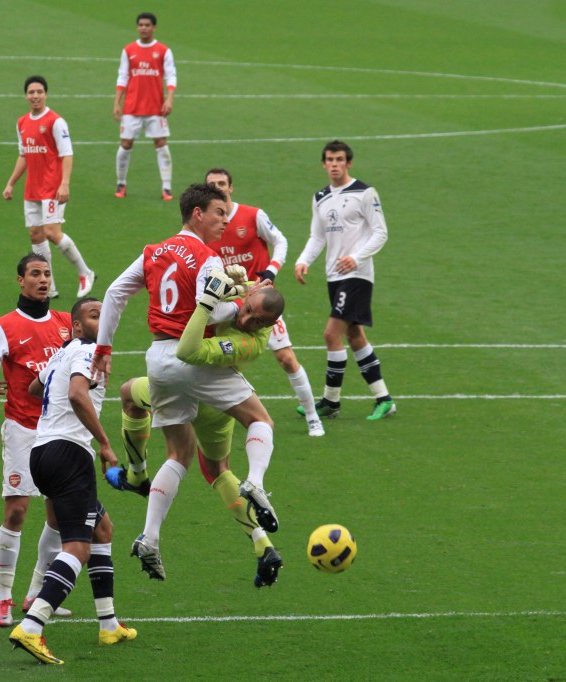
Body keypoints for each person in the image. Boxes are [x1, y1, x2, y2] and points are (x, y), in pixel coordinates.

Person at [94, 183, 283, 581]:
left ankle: (149, 536)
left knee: (178, 454)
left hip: (158, 360)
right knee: (259, 420)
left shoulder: (153, 251)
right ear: (198, 213)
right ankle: (255, 483)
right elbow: (208, 313)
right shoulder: (208, 258)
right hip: (194, 360)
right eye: (219, 213)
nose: (225, 221)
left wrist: (104, 348)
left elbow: (113, 293)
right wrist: (239, 297)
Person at [108, 278, 286, 589]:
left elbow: (188, 349)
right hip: (221, 406)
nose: (245, 320)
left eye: (256, 321)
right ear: (254, 294)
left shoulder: (246, 342)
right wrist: (240, 281)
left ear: (268, 326)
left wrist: (220, 296)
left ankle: (137, 479)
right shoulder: (254, 298)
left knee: (133, 400)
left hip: (193, 381)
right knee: (217, 469)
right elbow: (237, 286)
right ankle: (262, 542)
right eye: (248, 310)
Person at [9, 297, 137, 665]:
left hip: (43, 452)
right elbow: (78, 394)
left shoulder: (63, 353)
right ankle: (32, 625)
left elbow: (35, 388)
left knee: (102, 530)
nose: (103, 319)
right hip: (69, 454)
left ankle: (108, 624)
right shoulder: (87, 350)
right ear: (77, 326)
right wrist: (105, 443)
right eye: (95, 315)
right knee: (78, 547)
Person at [0, 253, 75, 627]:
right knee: (16, 511)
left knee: (59, 514)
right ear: (21, 280)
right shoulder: (4, 326)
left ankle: (37, 592)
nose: (43, 279)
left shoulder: (66, 324)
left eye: (47, 273)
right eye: (35, 273)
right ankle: (3, 598)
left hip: (59, 430)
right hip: (22, 429)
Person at [204, 167, 325, 437]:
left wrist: (270, 271)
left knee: (286, 358)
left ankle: (313, 417)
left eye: (222, 183)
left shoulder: (252, 216)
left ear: (231, 187)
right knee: (217, 360)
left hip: (260, 306)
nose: (218, 188)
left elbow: (280, 241)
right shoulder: (208, 226)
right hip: (229, 305)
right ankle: (214, 418)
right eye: (212, 184)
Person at [294, 141, 397, 420]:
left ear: (348, 163)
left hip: (357, 275)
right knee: (354, 335)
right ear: (324, 164)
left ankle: (331, 401)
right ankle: (384, 398)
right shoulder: (320, 197)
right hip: (334, 275)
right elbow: (317, 236)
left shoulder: (364, 193)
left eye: (339, 159)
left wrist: (356, 258)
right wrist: (303, 260)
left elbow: (380, 232)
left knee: (331, 334)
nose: (335, 164)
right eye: (330, 159)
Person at [3, 75, 96, 299]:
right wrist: (11, 183)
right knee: (36, 234)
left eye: (39, 92)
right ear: (26, 96)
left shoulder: (56, 122)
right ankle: (48, 287)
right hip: (32, 189)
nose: (35, 96)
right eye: (31, 92)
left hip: (52, 188)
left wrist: (64, 184)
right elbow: (24, 155)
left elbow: (67, 154)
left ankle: (85, 272)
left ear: (45, 94)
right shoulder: (22, 123)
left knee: (52, 232)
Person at [113, 11, 177, 200]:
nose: (143, 28)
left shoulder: (164, 51)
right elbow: (122, 77)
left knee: (161, 143)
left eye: (147, 25)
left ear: (154, 28)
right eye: (141, 25)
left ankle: (166, 187)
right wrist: (117, 102)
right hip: (131, 107)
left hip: (155, 108)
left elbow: (171, 76)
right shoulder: (129, 50)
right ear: (137, 27)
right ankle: (121, 183)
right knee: (126, 144)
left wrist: (169, 99)